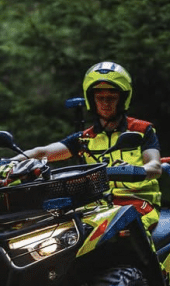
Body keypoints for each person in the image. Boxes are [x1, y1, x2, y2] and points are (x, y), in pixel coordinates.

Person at [22, 61, 162, 230]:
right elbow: (42, 152)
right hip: (98, 206)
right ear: (92, 100)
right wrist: (7, 162)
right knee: (59, 230)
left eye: (111, 98)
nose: (105, 103)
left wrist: (131, 170)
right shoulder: (85, 138)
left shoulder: (142, 130)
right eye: (100, 98)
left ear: (122, 99)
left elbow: (155, 167)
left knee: (126, 228)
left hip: (138, 202)